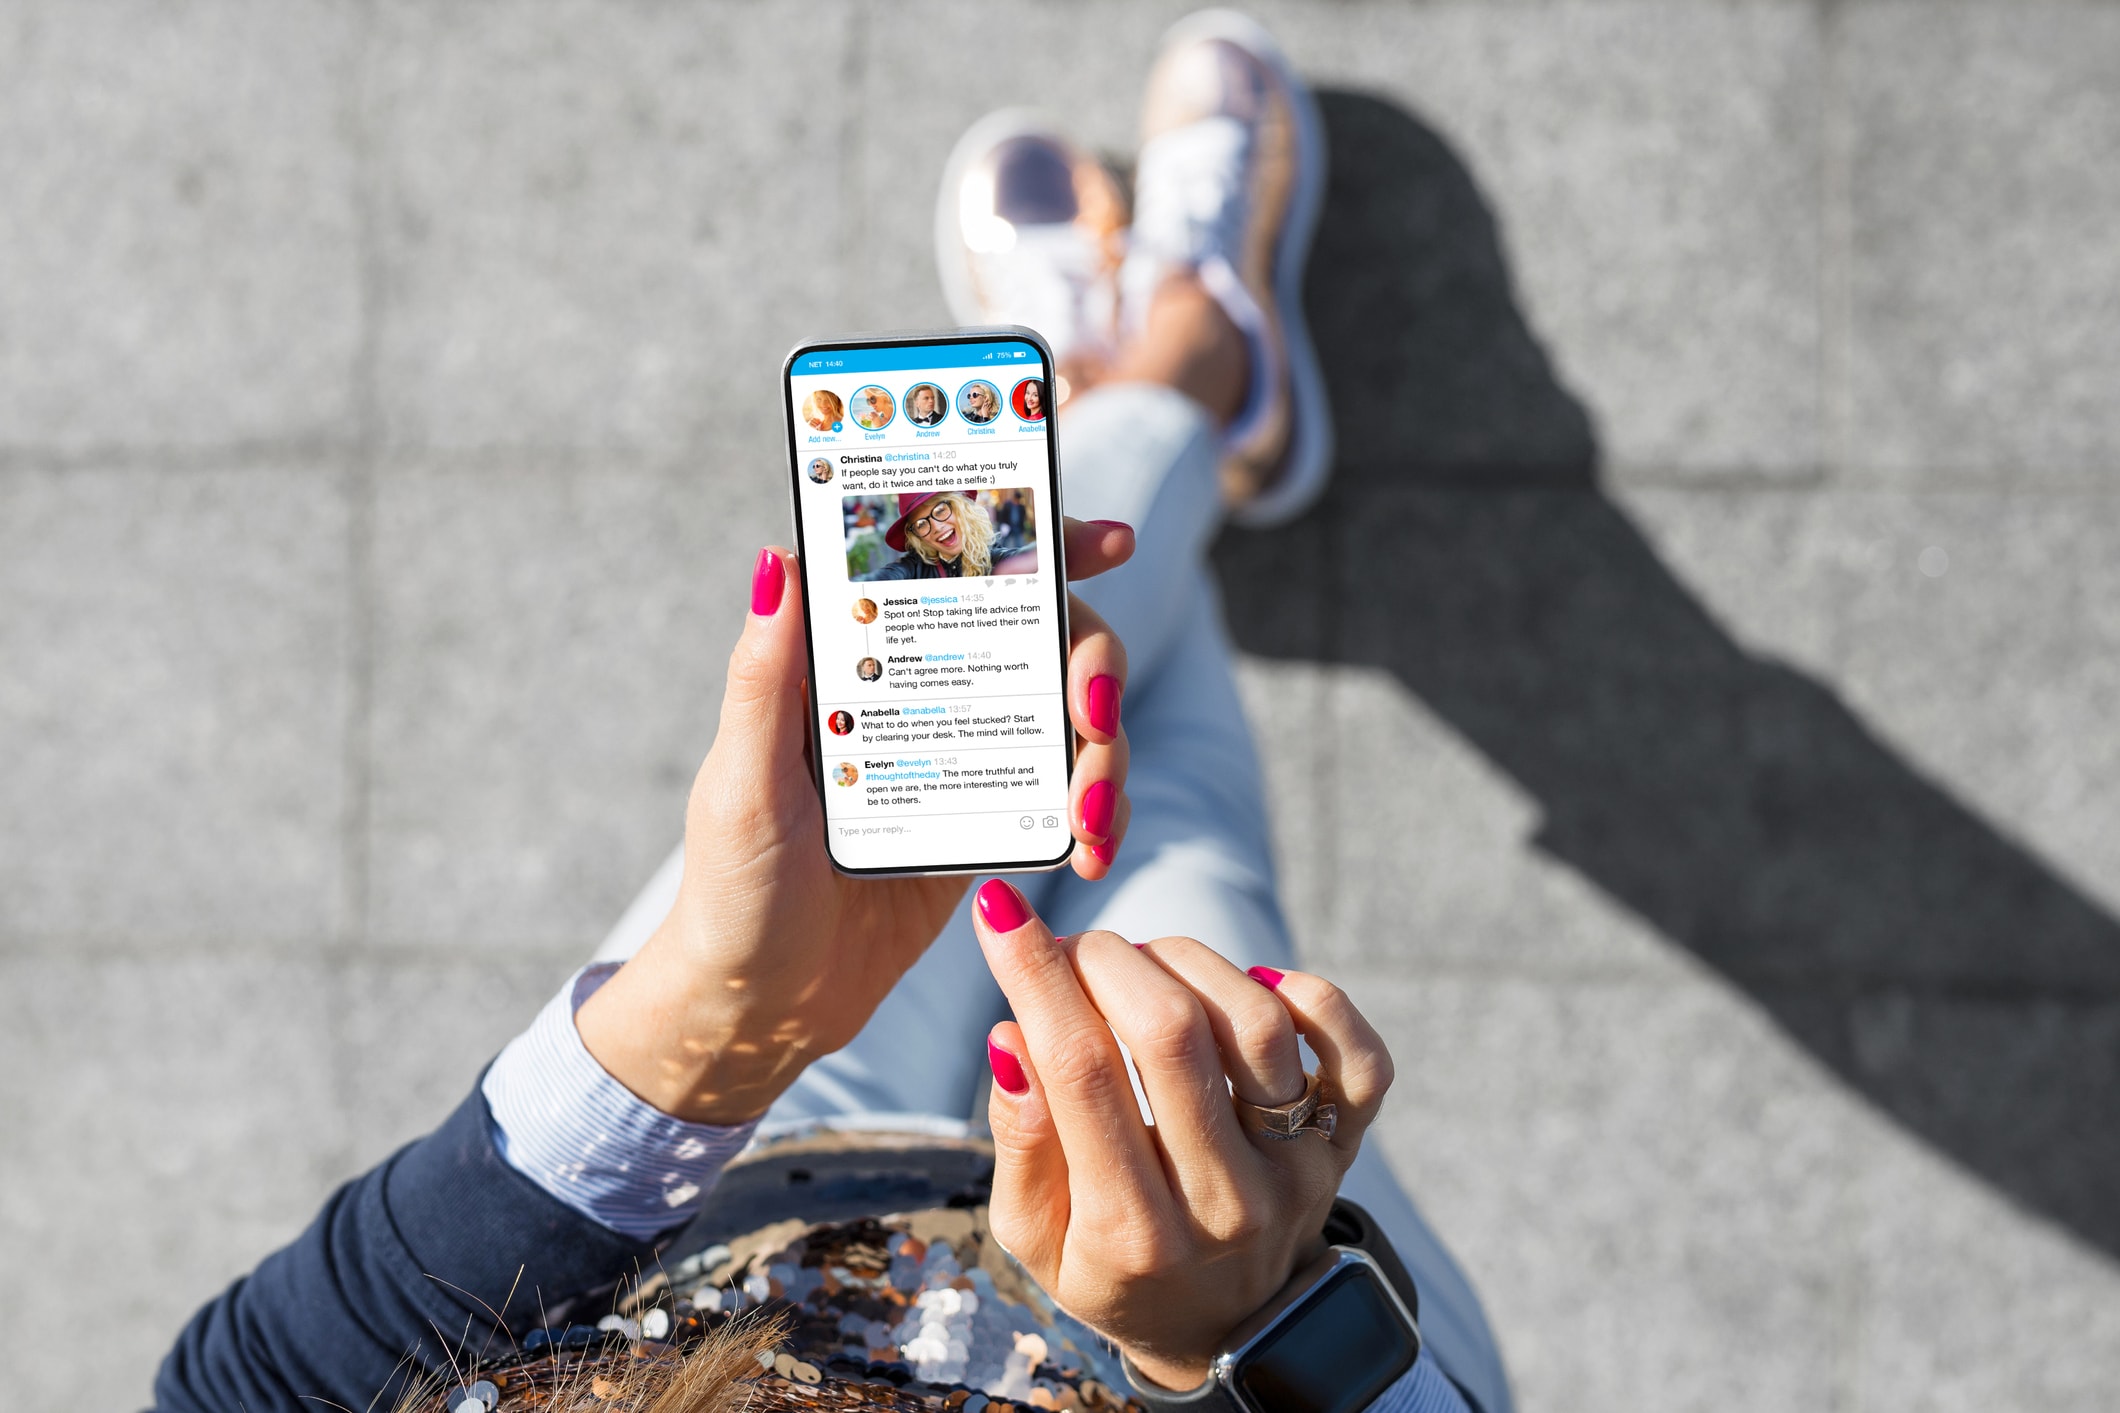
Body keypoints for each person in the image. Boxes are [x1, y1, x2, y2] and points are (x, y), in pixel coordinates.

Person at [153, 13, 1511, 1413]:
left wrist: (714, 1018)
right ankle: (1178, 370)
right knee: (1192, 879)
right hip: (1169, 1280)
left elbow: (242, 1389)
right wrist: (1226, 1337)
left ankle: (1161, 382)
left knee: (1073, 695)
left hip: (736, 1180)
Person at [863, 490, 995, 580]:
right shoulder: (914, 568)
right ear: (917, 536)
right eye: (921, 524)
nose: (937, 527)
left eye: (940, 511)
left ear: (959, 508)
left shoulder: (995, 559)